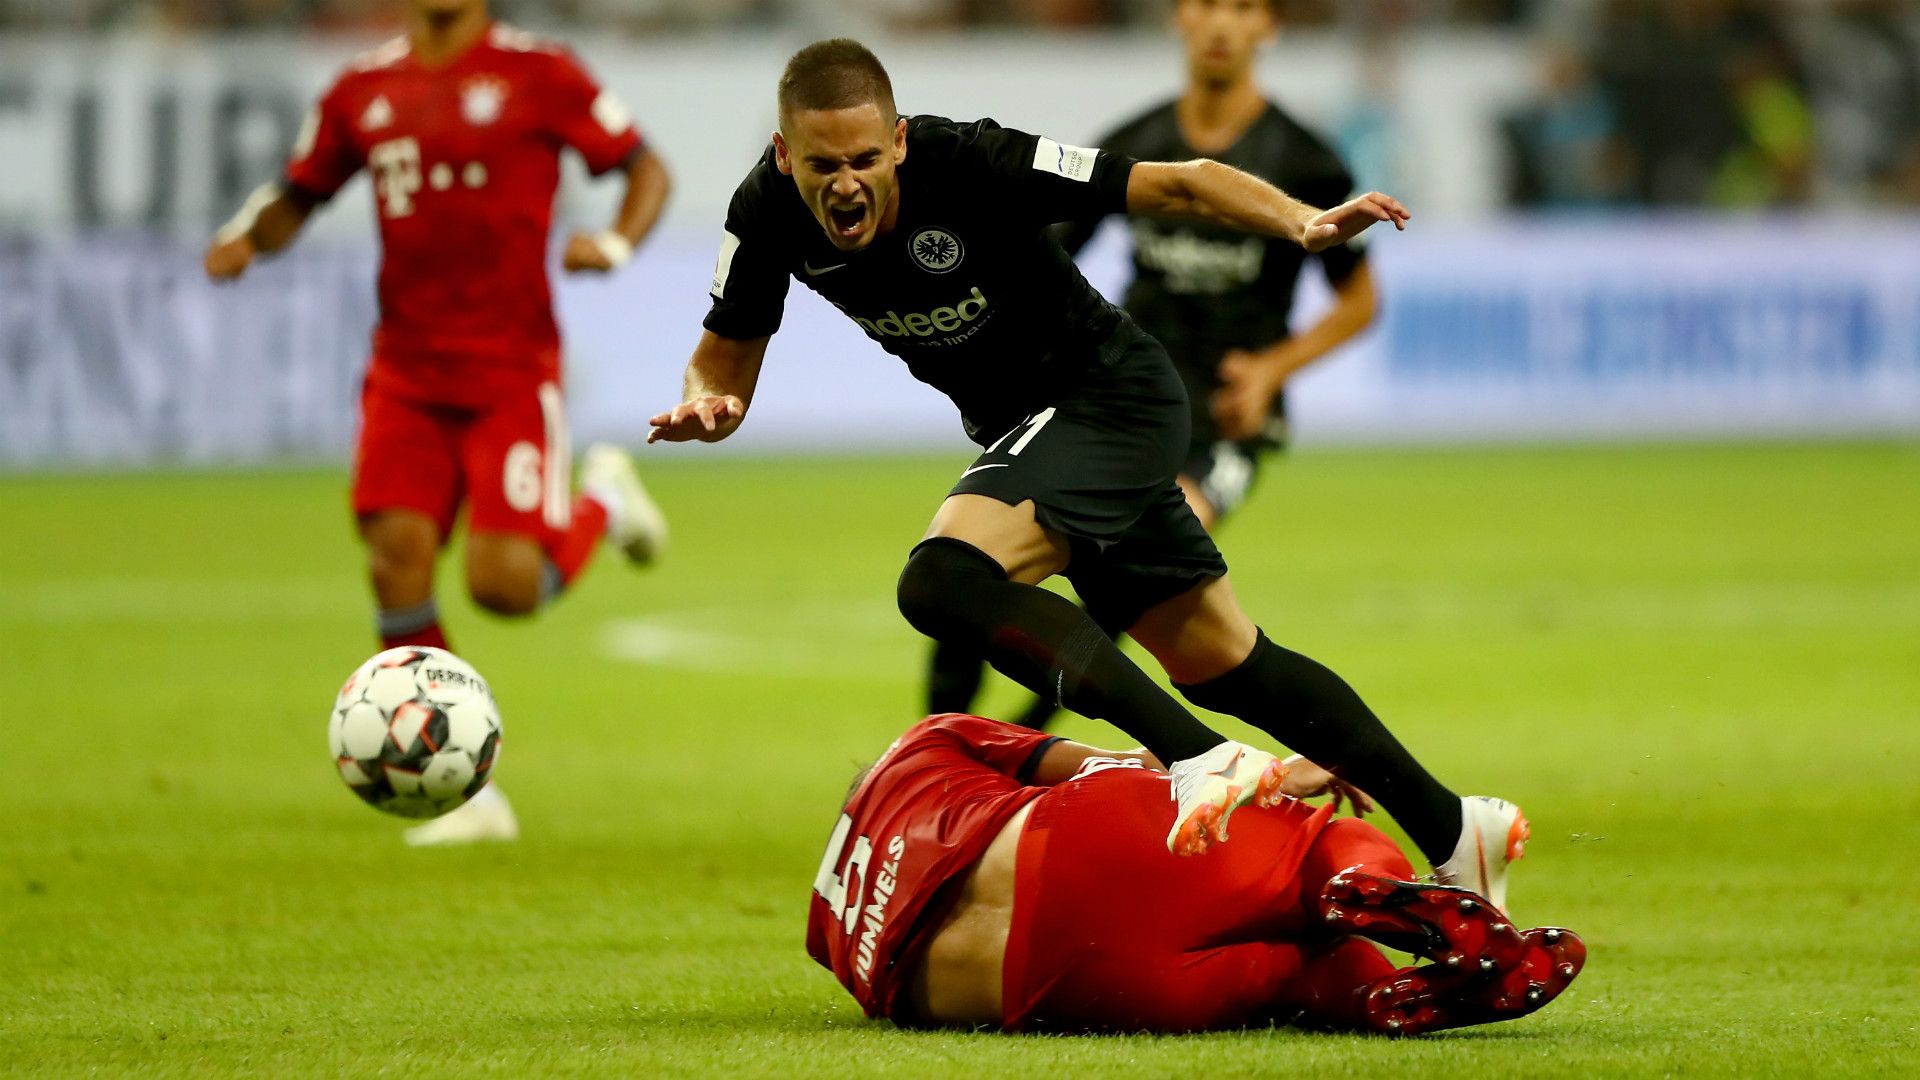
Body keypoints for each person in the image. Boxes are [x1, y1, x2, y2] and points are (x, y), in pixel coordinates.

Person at [650, 38, 1526, 905]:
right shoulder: (763, 212)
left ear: (902, 141)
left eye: (865, 158)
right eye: (821, 164)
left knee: (944, 581)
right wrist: (711, 406)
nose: (845, 183)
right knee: (1228, 663)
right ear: (782, 154)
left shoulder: (975, 158)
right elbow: (723, 360)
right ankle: (1457, 830)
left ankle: (1199, 759)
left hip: (1111, 396)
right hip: (1039, 429)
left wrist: (1298, 222)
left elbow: (1176, 180)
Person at [204, 0, 671, 845]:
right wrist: (246, 235)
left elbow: (647, 170)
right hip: (406, 373)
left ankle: (601, 502)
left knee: (504, 589)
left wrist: (614, 244)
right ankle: (468, 797)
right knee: (395, 560)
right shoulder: (362, 88)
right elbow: (299, 189)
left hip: (510, 375)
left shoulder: (543, 74)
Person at [927, 0, 1384, 731]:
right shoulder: (1139, 142)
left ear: (1267, 27)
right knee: (975, 557)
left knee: (1132, 571)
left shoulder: (1305, 160)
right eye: (1206, 5)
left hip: (1225, 417)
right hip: (1117, 398)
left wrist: (1273, 370)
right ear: (1179, 18)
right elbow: (1041, 255)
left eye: (1242, 8)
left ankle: (1021, 735)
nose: (1222, 25)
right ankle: (937, 735)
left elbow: (1360, 303)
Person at [808, 713, 1585, 1034]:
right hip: (1071, 854)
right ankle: (1355, 880)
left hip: (1066, 987)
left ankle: (1365, 993)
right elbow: (1132, 764)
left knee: (1292, 981)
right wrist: (1281, 774)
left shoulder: (832, 944)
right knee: (1311, 852)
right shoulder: (921, 747)